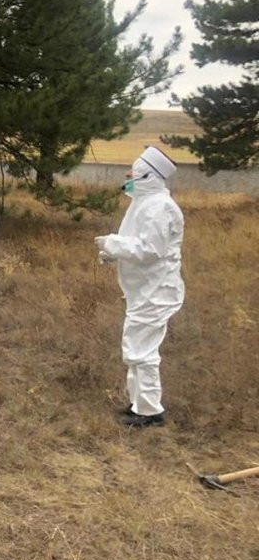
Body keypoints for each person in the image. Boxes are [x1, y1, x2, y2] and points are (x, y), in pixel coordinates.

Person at [95, 146, 183, 428]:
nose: (127, 175)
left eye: (133, 171)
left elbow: (151, 249)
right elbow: (137, 241)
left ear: (147, 174)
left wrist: (113, 244)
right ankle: (140, 405)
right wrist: (114, 252)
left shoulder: (159, 207)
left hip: (156, 292)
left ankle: (149, 412)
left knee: (140, 351)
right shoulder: (145, 203)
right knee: (137, 348)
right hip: (145, 290)